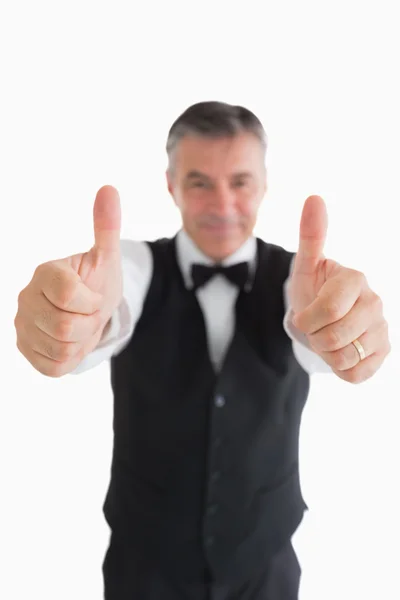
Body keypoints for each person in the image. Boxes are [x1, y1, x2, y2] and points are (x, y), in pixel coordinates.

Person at [14, 101, 390, 599]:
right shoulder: (134, 270)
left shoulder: (300, 285)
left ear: (263, 185)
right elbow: (111, 301)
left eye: (239, 181)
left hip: (267, 569)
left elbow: (314, 332)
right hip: (142, 570)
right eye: (199, 182)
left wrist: (344, 334)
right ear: (171, 186)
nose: (222, 204)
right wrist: (73, 323)